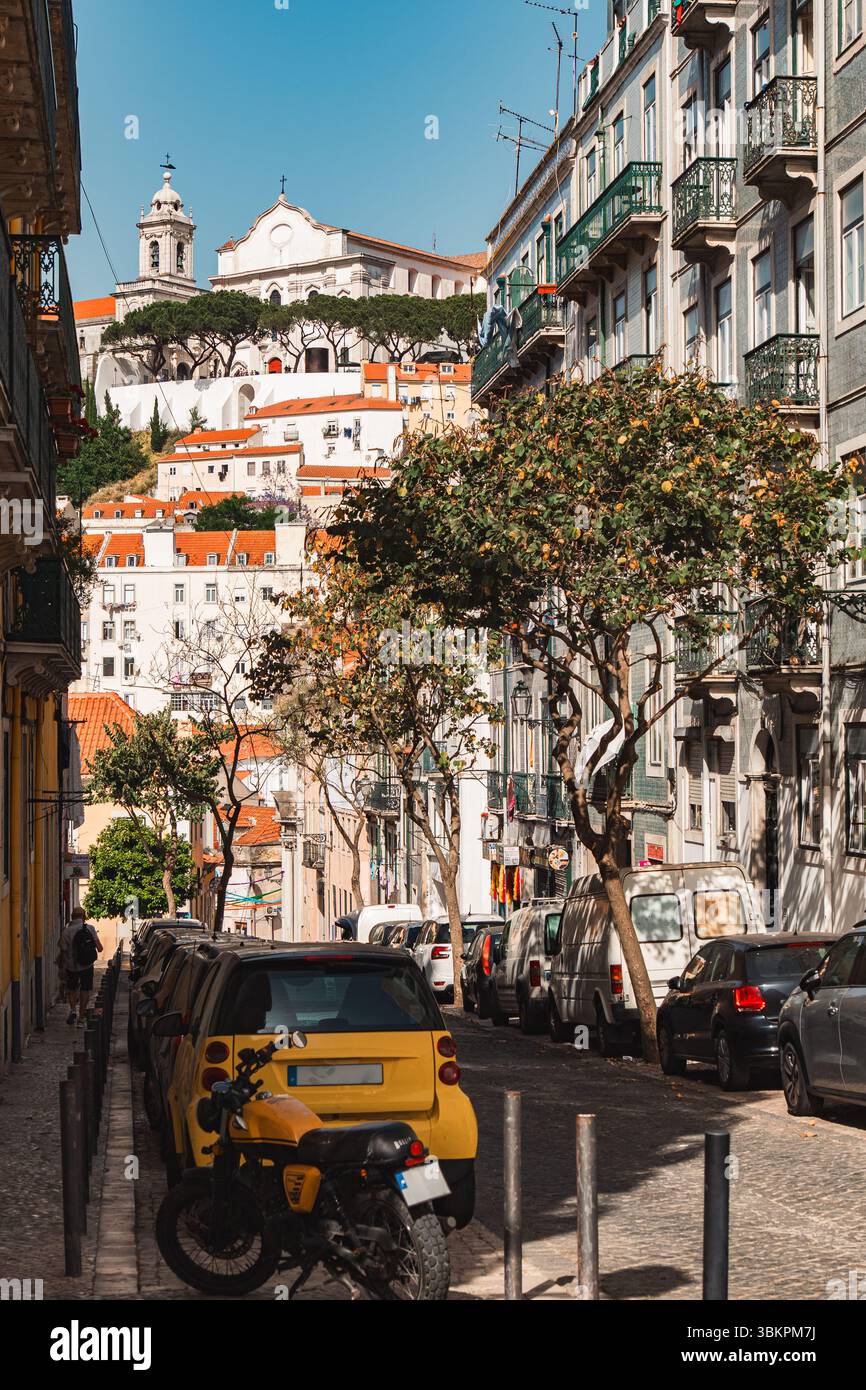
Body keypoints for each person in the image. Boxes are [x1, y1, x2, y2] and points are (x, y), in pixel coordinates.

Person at [57, 908, 103, 1025]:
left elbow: (63, 951)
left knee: (71, 989)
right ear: (84, 917)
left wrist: (61, 968)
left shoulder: (66, 932)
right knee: (85, 989)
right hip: (87, 965)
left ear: (72, 917)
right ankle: (81, 1017)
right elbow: (100, 948)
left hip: (71, 966)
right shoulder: (90, 928)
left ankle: (73, 1010)